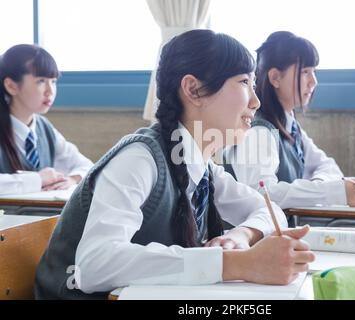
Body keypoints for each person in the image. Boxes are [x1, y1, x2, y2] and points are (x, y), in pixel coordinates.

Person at [34, 30, 315, 299]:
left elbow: (271, 211)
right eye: (244, 82)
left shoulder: (202, 168)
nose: (255, 101)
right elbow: (94, 264)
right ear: (193, 89)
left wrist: (242, 236)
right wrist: (235, 264)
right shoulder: (139, 160)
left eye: (254, 85)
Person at [221, 31, 355, 226]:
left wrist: (323, 186)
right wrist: (334, 191)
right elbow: (261, 194)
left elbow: (327, 165)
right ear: (275, 77)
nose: (313, 81)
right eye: (305, 72)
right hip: (248, 242)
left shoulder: (289, 123)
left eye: (314, 71)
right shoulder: (258, 131)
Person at [0, 44, 93, 195]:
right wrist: (37, 180)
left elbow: (86, 166)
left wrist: (71, 179)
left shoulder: (44, 127)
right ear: (11, 86)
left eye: (53, 81)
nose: (50, 91)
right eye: (41, 81)